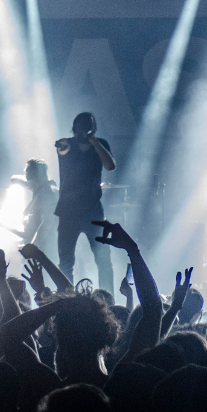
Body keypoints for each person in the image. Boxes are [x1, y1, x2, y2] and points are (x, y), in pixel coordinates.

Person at [54, 112, 117, 292]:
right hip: (68, 212)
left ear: (94, 128)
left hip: (93, 211)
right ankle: (66, 301)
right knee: (66, 261)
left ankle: (107, 298)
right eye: (82, 125)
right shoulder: (66, 143)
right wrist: (62, 146)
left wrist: (95, 143)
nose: (85, 129)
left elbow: (110, 166)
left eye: (89, 125)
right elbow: (62, 150)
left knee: (103, 260)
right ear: (75, 128)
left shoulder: (101, 145)